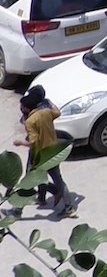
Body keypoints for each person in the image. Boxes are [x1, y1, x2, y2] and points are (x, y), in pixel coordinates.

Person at [18, 86, 68, 217]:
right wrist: (50, 102)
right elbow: (57, 112)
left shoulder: (30, 121)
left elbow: (33, 142)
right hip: (53, 151)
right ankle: (49, 200)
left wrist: (21, 143)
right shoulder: (46, 112)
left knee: (29, 179)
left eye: (22, 106)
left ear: (28, 107)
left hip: (39, 154)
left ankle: (16, 210)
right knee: (57, 179)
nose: (21, 108)